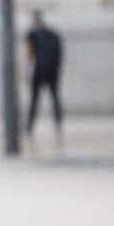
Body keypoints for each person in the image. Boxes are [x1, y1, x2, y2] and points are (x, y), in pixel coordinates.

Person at [25, 10, 64, 141]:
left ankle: (29, 127)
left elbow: (29, 53)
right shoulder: (53, 34)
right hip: (53, 71)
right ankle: (58, 125)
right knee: (55, 98)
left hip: (39, 70)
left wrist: (26, 71)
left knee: (34, 100)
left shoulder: (32, 34)